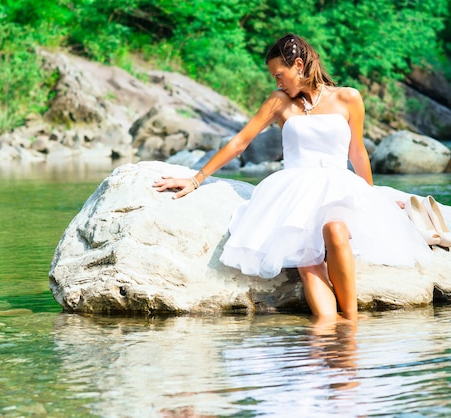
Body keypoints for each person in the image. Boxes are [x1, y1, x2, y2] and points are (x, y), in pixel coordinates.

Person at [153, 33, 430, 320]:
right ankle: (326, 328)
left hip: (338, 185)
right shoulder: (279, 102)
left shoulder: (349, 98)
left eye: (279, 75)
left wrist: (371, 198)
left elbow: (357, 152)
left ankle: (350, 324)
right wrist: (196, 179)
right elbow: (240, 142)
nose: (277, 82)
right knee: (306, 260)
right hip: (294, 190)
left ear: (299, 65)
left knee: (335, 230)